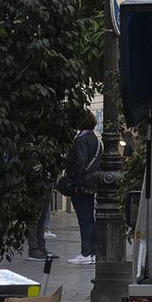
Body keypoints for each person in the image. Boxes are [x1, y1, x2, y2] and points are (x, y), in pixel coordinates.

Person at [63, 109, 101, 266]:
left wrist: (75, 181)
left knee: (84, 219)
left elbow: (80, 161)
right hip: (91, 184)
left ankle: (86, 252)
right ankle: (91, 252)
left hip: (81, 185)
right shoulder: (95, 139)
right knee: (89, 219)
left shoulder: (81, 140)